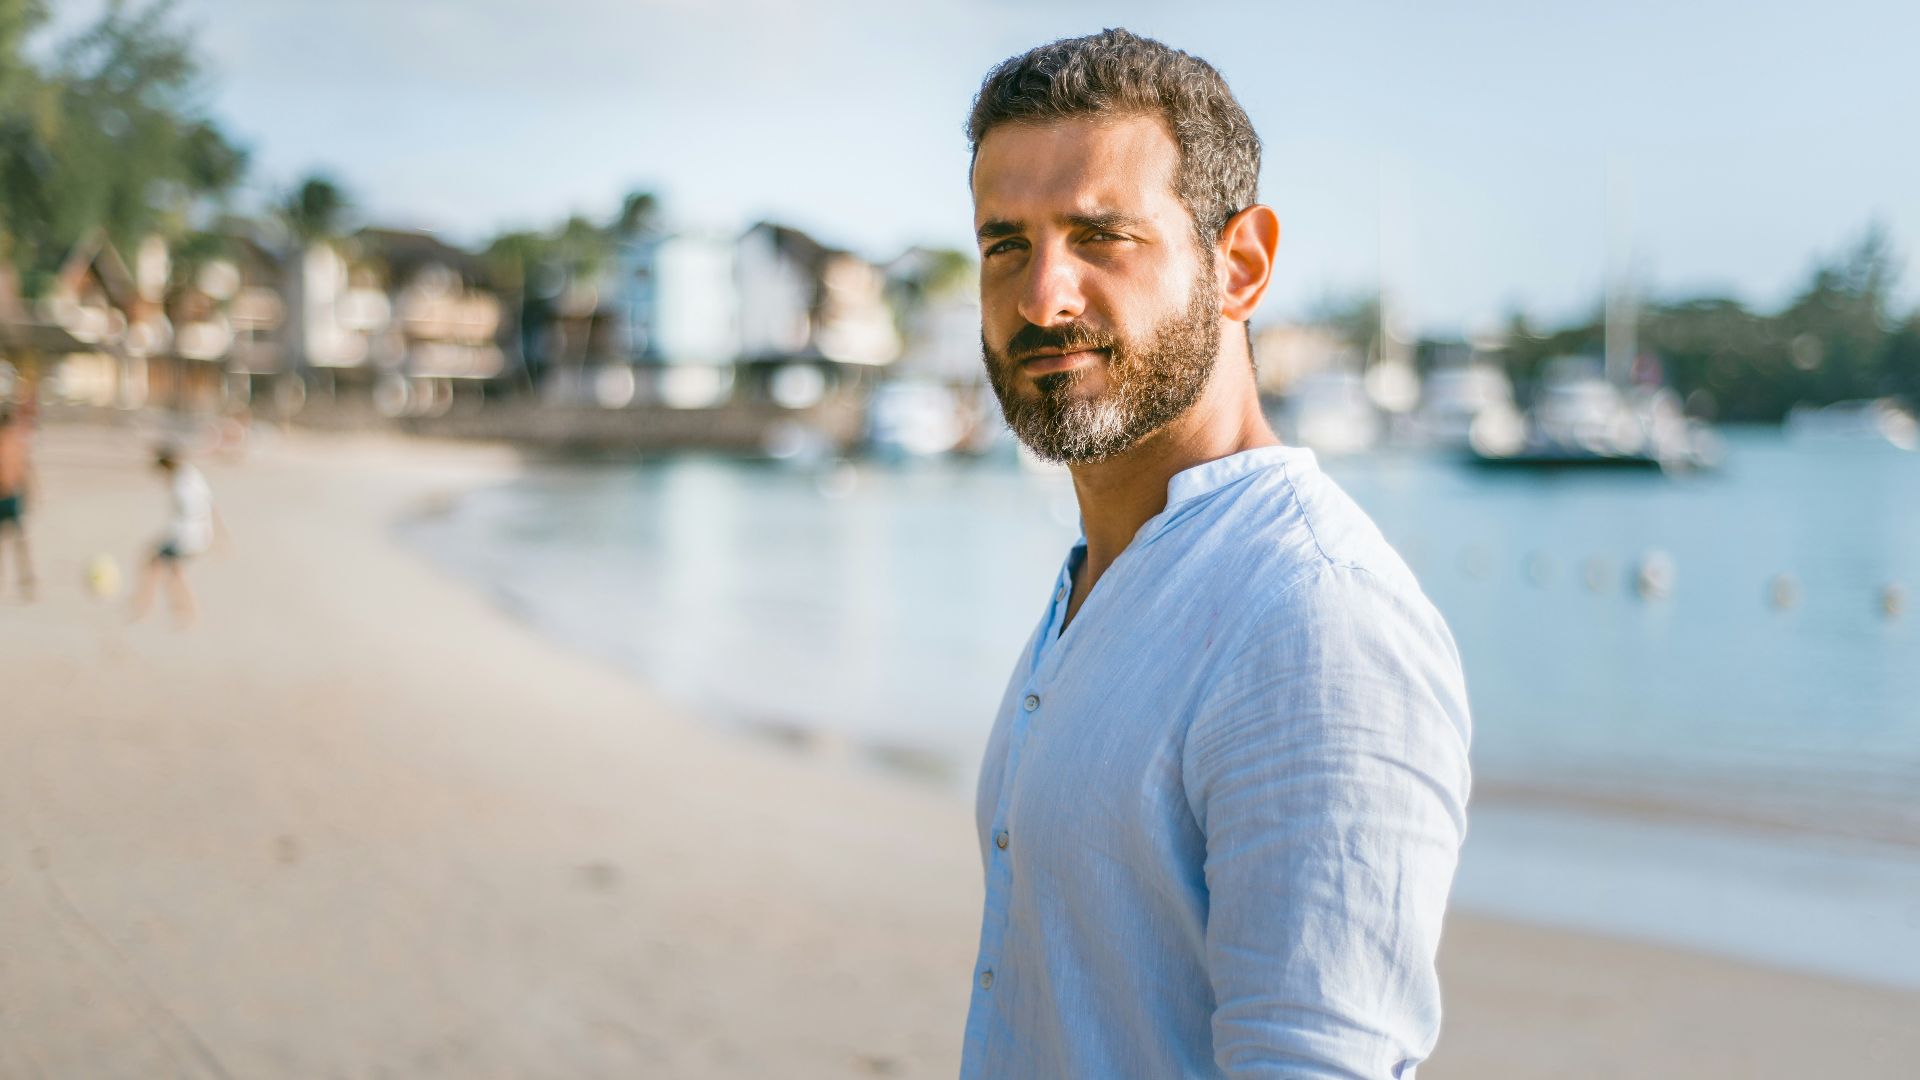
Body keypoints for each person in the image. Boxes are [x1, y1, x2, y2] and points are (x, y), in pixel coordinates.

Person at [960, 30, 1472, 1079]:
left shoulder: (1314, 621)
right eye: (1005, 244)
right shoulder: (1104, 578)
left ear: (1239, 266)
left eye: (1101, 236)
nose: (1041, 297)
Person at [130, 447, 218, 626]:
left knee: (156, 566)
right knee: (172, 573)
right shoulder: (192, 474)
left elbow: (186, 516)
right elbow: (209, 505)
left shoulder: (180, 482)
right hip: (200, 533)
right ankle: (183, 610)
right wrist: (219, 535)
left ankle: (145, 606)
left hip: (186, 536)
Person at [0, 406, 36, 600]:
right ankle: (25, 579)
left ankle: (26, 579)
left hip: (9, 498)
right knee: (19, 542)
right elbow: (25, 470)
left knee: (18, 542)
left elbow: (24, 469)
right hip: (9, 498)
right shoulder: (14, 443)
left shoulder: (13, 443)